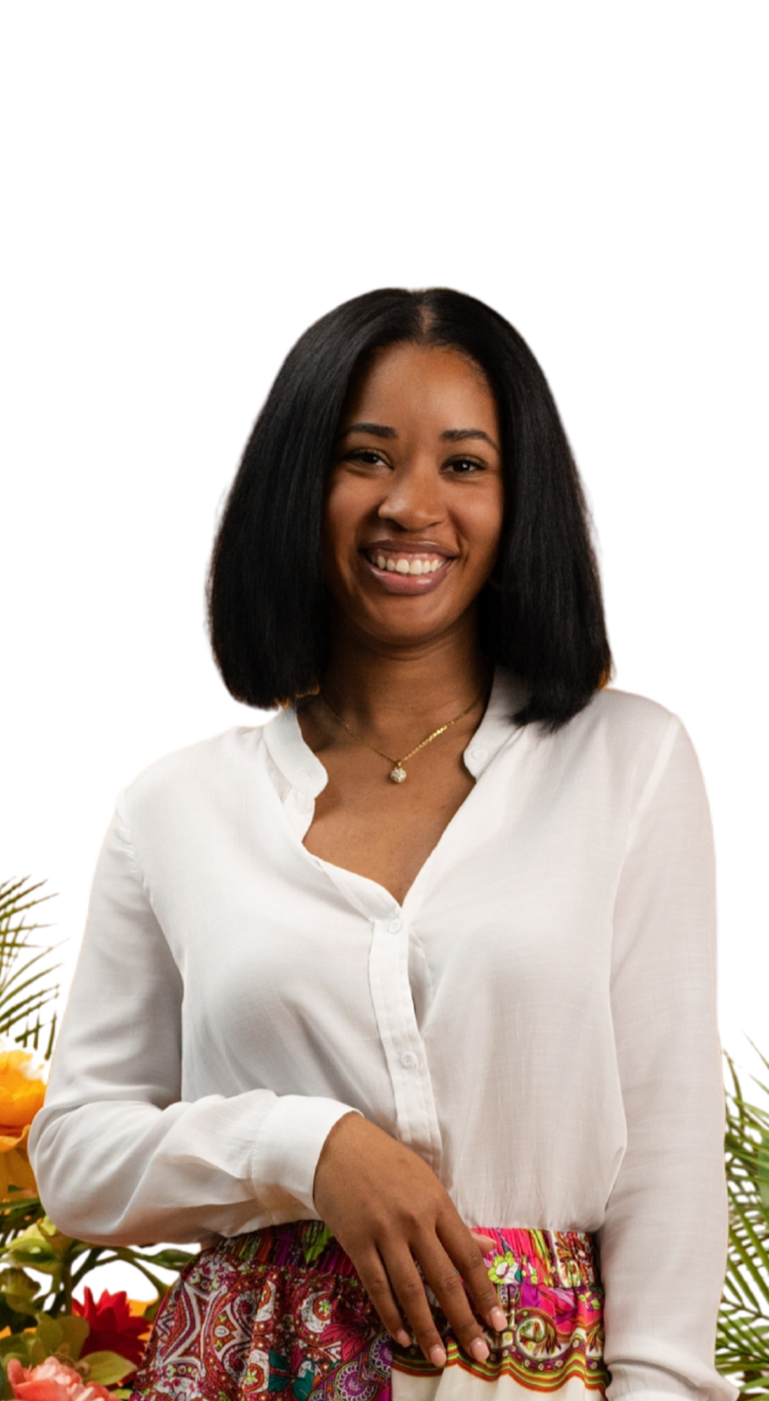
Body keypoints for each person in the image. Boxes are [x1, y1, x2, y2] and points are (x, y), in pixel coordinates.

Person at [27, 287, 736, 1399]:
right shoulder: (176, 803)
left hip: (530, 1376)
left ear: (521, 500)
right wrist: (305, 1148)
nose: (411, 505)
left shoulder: (629, 761)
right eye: (364, 457)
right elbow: (75, 1157)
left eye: (463, 464)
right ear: (294, 489)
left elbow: (670, 1154)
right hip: (237, 1371)